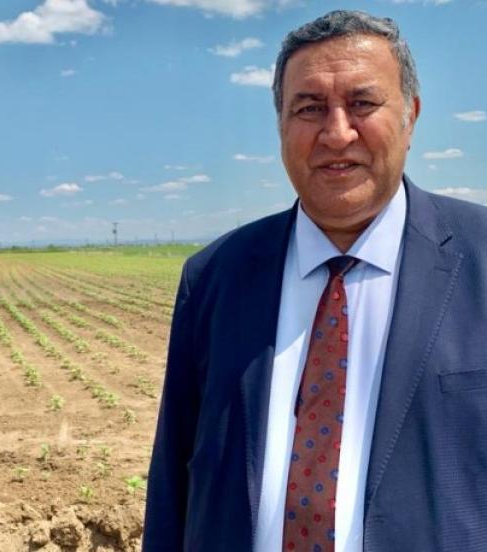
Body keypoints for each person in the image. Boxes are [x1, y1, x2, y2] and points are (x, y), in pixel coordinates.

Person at [143, 10, 487, 552]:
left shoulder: (479, 258)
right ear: (281, 125)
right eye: (309, 108)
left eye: (363, 103)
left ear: (411, 116)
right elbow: (173, 487)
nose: (336, 132)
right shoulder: (214, 277)